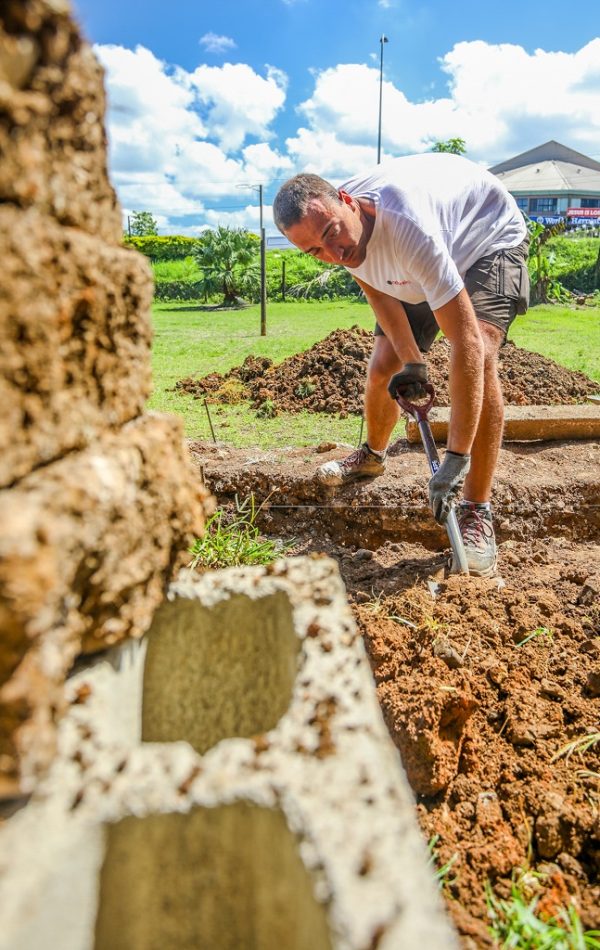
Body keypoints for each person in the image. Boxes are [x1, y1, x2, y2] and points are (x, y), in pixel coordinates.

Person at [272, 152, 530, 576]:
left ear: (346, 200)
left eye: (333, 234)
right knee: (383, 367)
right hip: (425, 258)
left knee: (480, 353)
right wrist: (413, 363)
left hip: (484, 238)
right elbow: (376, 287)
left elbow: (463, 339)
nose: (334, 253)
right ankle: (373, 455)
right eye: (315, 251)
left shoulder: (407, 224)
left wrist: (455, 459)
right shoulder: (340, 241)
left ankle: (475, 509)